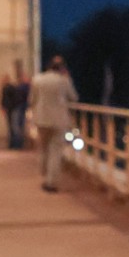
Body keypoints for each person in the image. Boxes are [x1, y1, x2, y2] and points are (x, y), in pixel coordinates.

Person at [28, 56, 78, 192]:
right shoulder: (64, 80)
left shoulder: (37, 80)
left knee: (43, 148)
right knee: (55, 151)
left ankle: (43, 175)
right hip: (58, 120)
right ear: (62, 68)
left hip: (41, 119)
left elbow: (32, 100)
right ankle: (51, 182)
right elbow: (73, 97)